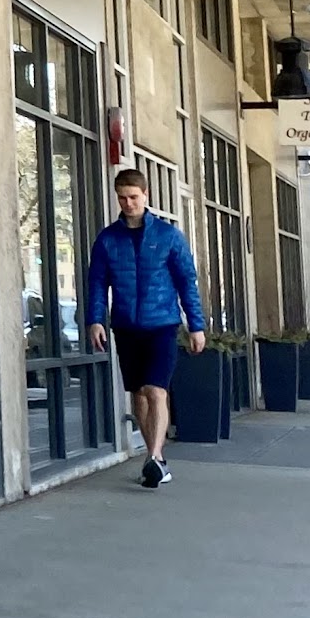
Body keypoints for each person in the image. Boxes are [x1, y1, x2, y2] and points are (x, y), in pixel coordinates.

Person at [86, 168, 206, 489]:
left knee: (156, 390)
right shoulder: (108, 239)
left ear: (145, 195)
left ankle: (154, 456)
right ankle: (155, 461)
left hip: (162, 324)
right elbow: (97, 282)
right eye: (122, 198)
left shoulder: (168, 236)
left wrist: (196, 325)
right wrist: (95, 319)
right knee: (138, 393)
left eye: (133, 197)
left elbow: (187, 282)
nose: (128, 203)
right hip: (126, 326)